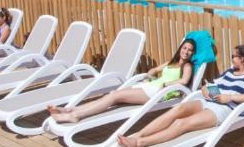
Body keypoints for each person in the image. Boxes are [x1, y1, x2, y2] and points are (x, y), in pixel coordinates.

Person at [117, 44, 244, 147]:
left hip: (225, 108)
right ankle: (138, 134)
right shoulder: (229, 72)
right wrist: (206, 89)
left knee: (182, 123)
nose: (231, 59)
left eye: (234, 56)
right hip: (210, 100)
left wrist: (230, 97)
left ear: (242, 59)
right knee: (178, 109)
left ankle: (140, 143)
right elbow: (211, 84)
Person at [46, 38, 197, 124]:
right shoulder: (171, 63)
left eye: (190, 50)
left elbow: (183, 82)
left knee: (114, 96)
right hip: (149, 86)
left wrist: (165, 84)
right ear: (180, 49)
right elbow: (154, 70)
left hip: (157, 93)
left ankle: (76, 115)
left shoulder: (187, 66)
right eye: (184, 48)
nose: (186, 51)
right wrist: (151, 74)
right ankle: (71, 110)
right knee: (113, 94)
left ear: (192, 53)